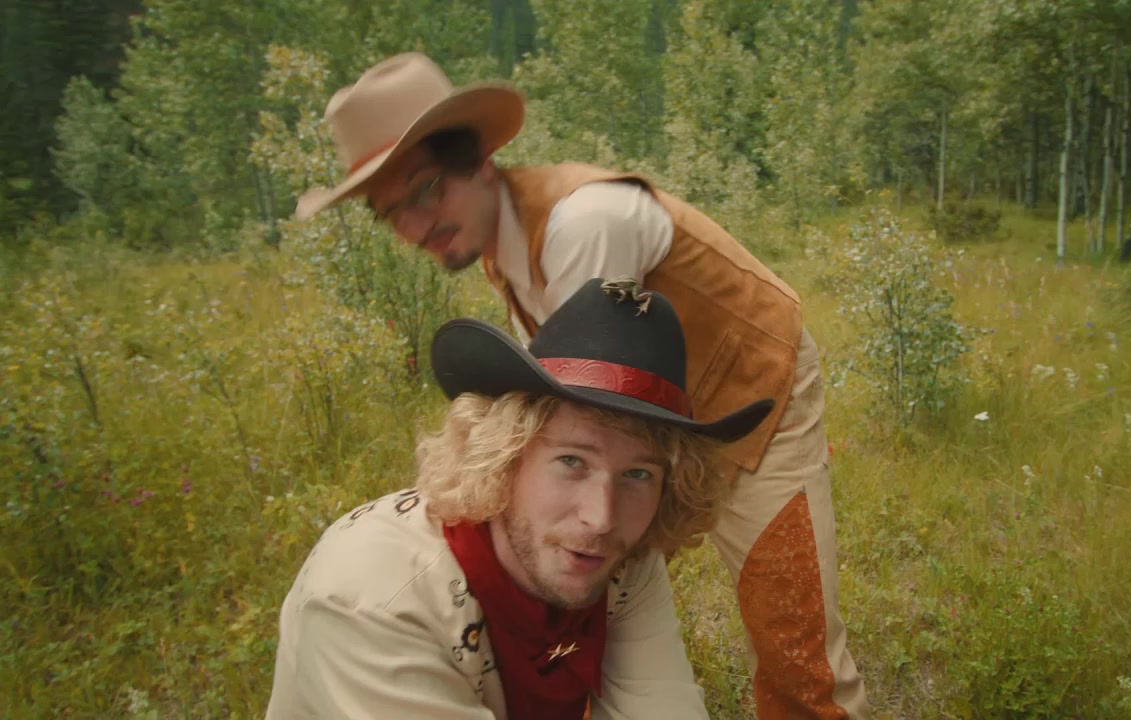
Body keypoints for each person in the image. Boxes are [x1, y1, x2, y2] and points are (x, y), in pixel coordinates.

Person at [296, 52, 871, 719]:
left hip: (751, 396)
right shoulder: (502, 245)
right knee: (592, 570)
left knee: (792, 641)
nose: (414, 227)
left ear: (481, 161)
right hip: (640, 441)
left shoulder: (584, 223)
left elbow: (585, 410)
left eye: (426, 190)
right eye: (390, 212)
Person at [265, 277, 774, 719]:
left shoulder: (619, 557)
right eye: (572, 461)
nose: (601, 518)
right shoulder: (374, 604)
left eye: (638, 474)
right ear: (503, 454)